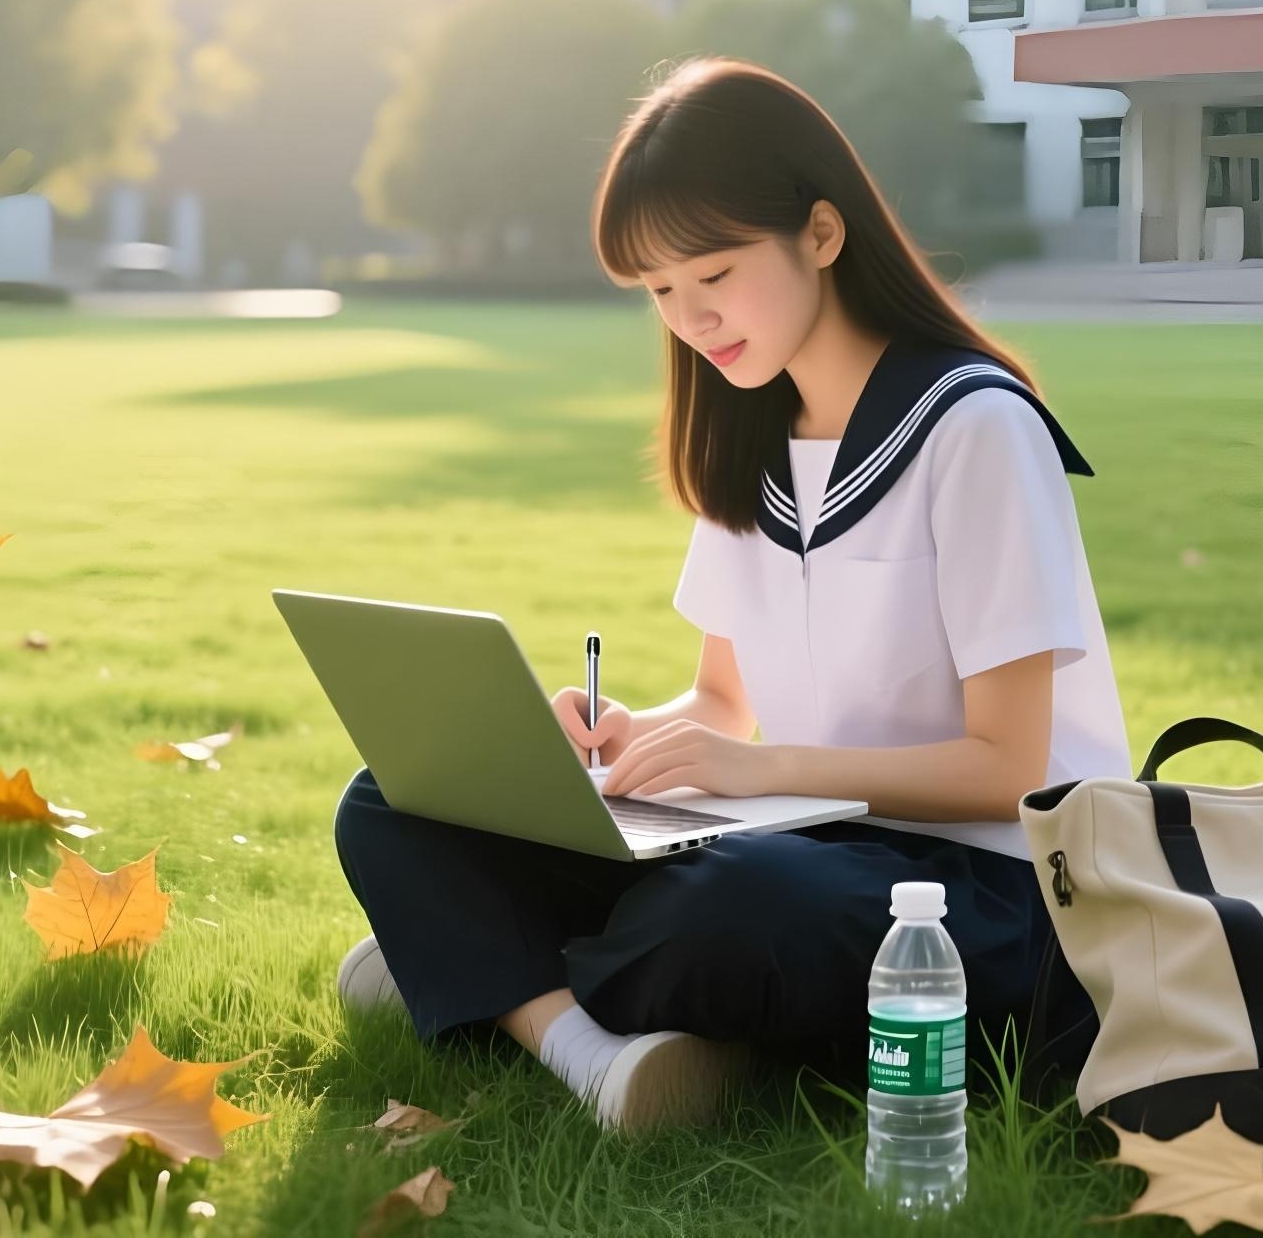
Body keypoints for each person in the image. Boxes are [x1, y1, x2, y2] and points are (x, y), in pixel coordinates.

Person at [330, 57, 1131, 1130]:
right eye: (660, 292)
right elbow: (719, 706)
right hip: (801, 841)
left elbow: (1007, 770)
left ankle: (472, 959)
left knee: (734, 911)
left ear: (821, 234)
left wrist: (759, 770)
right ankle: (580, 1045)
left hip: (980, 892)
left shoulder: (976, 425)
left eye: (712, 273)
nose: (692, 319)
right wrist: (604, 744)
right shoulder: (749, 434)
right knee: (395, 794)